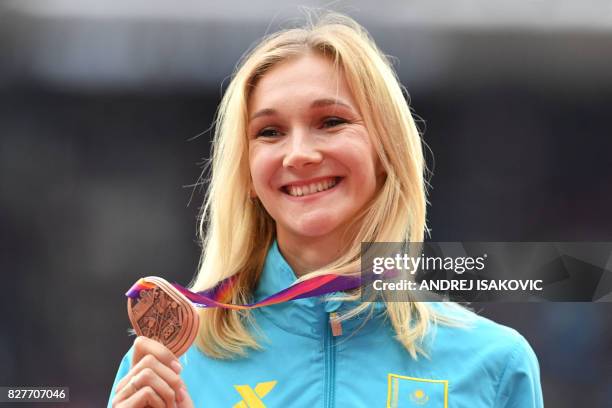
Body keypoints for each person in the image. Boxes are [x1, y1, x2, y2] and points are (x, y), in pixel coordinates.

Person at [108, 11, 543, 408]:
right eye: (270, 131)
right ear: (248, 175)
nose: (298, 154)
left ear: (385, 150)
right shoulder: (166, 367)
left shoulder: (494, 364)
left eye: (331, 122)